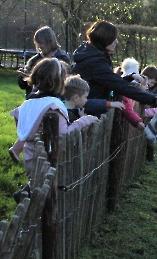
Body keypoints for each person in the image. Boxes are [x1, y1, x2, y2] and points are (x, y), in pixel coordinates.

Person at [10, 58, 98, 203]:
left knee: (37, 185)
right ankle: (29, 203)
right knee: (46, 191)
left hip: (30, 154)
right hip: (47, 157)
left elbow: (17, 117)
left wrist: (34, 132)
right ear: (60, 81)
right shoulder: (53, 105)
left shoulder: (28, 103)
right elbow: (63, 134)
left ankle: (26, 197)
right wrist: (84, 121)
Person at [71, 20, 157, 116]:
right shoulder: (95, 62)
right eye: (113, 39)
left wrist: (131, 76)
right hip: (85, 113)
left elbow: (109, 80)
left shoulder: (91, 54)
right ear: (104, 40)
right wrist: (153, 99)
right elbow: (119, 86)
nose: (116, 42)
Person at [18, 26, 70, 99]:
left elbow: (64, 81)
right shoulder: (34, 60)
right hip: (34, 99)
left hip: (56, 99)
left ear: (50, 41)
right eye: (37, 43)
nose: (39, 46)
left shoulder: (62, 58)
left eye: (41, 43)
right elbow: (23, 85)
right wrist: (24, 77)